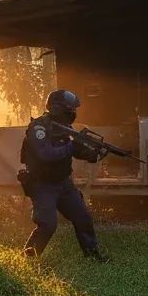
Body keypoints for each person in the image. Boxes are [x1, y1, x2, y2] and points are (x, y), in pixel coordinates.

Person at [19, 89, 109, 261]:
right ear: (56, 109)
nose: (73, 113)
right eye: (70, 109)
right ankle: (28, 258)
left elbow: (73, 150)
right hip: (42, 184)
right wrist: (72, 147)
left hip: (63, 183)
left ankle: (92, 255)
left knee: (82, 218)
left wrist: (92, 154)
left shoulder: (65, 127)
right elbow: (45, 154)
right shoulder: (39, 128)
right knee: (47, 224)